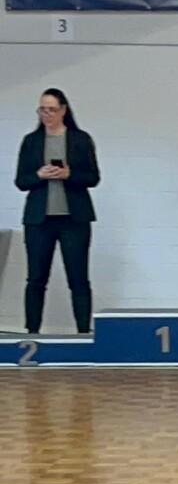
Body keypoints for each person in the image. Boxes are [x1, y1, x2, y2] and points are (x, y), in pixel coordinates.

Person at [14, 88, 100, 334]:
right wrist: (39, 176)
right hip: (39, 220)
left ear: (63, 110)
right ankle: (32, 332)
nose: (47, 114)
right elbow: (21, 181)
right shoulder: (31, 141)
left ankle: (83, 332)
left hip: (74, 219)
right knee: (36, 279)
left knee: (79, 279)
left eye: (52, 109)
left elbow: (93, 177)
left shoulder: (80, 139)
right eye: (42, 109)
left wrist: (69, 174)